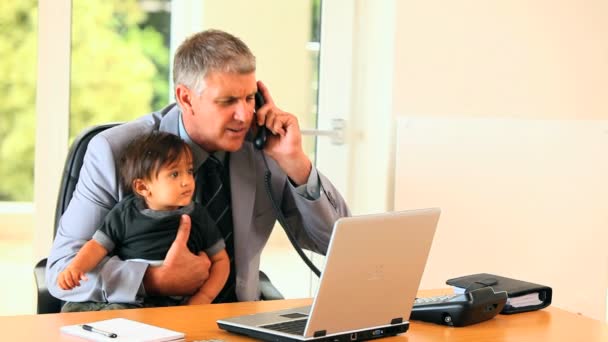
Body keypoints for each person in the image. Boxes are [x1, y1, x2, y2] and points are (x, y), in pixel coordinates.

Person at [46, 29, 350, 309]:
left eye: (248, 98)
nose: (244, 115)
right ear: (185, 98)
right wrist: (153, 280)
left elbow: (338, 244)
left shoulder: (264, 149)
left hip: (236, 318)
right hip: (145, 322)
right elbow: (62, 269)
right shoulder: (113, 151)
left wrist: (295, 162)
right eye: (227, 101)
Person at [57, 132, 229, 311]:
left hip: (172, 306)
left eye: (189, 171)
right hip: (128, 297)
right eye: (175, 174)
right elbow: (97, 246)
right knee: (72, 309)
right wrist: (76, 268)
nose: (187, 181)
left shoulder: (197, 215)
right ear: (143, 187)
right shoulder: (125, 212)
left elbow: (220, 261)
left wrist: (203, 298)